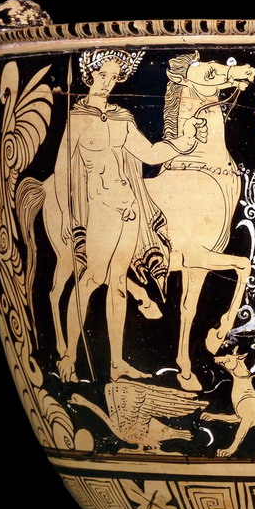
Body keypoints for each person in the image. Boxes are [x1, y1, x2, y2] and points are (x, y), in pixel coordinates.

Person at [55, 48, 204, 382]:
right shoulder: (77, 118)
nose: (107, 82)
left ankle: (117, 363)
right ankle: (69, 357)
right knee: (91, 279)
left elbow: (149, 153)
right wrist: (67, 216)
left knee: (119, 284)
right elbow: (63, 170)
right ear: (89, 76)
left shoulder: (121, 117)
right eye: (102, 75)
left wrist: (183, 142)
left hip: (129, 210)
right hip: (102, 209)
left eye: (113, 77)